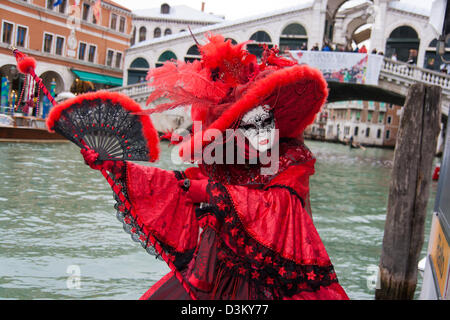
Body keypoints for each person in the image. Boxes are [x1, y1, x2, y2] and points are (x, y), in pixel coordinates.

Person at [80, 35, 349, 300]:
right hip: (216, 273)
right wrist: (117, 168)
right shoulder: (221, 156)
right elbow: (179, 187)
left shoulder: (290, 157)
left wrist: (212, 192)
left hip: (276, 279)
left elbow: (280, 208)